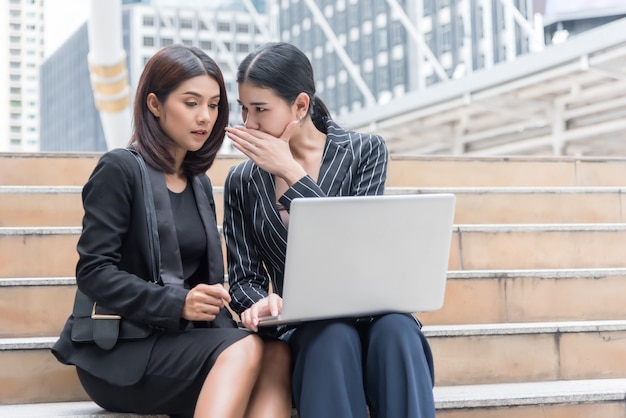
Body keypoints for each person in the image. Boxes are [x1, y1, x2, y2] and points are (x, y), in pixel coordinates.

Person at [52, 44, 291, 418]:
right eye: (191, 102)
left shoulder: (197, 182)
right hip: (123, 350)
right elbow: (93, 272)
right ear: (154, 104)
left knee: (276, 351)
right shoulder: (120, 169)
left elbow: (203, 285)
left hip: (181, 340)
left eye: (213, 105)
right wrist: (177, 303)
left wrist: (249, 308)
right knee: (243, 350)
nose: (205, 117)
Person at [223, 41, 436, 418]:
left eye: (260, 110)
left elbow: (356, 245)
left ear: (300, 105)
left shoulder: (364, 152)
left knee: (398, 332)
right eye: (243, 109)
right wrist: (259, 302)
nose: (249, 124)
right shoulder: (242, 180)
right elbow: (243, 278)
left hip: (374, 314)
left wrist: (291, 172)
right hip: (308, 326)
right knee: (332, 336)